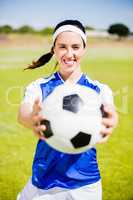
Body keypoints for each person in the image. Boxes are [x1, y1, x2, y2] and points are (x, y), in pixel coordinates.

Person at [17, 19, 118, 200]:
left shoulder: (99, 90)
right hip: (43, 180)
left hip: (84, 184)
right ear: (54, 49)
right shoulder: (39, 86)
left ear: (84, 49)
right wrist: (32, 117)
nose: (69, 53)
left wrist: (111, 121)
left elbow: (111, 113)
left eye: (75, 47)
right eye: (62, 47)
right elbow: (23, 113)